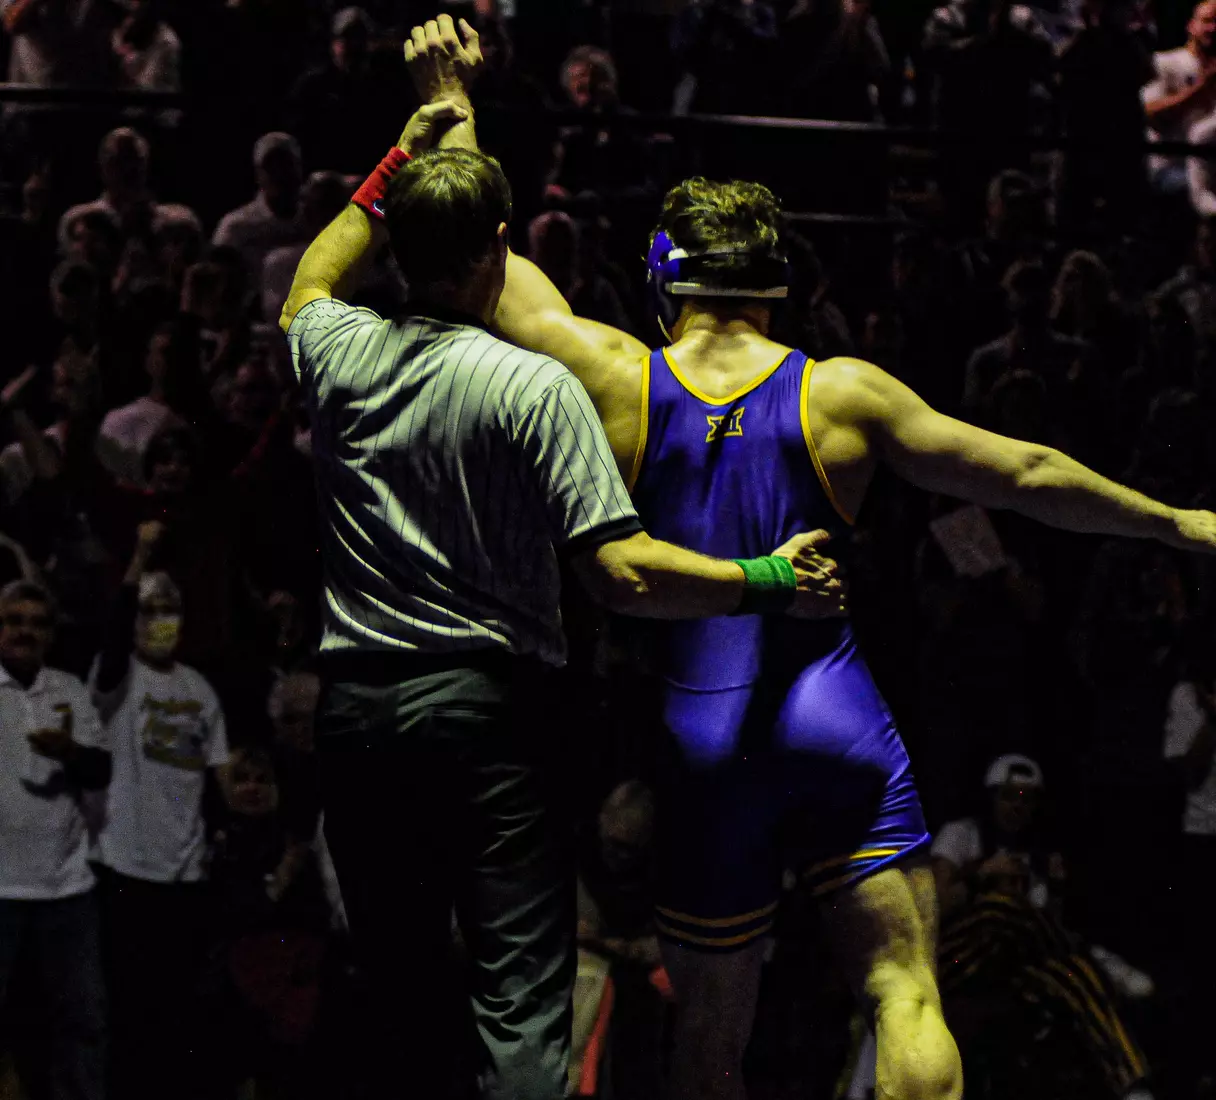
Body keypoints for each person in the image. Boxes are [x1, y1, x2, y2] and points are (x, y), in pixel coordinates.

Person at [406, 15, 1216, 1100]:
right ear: (774, 281)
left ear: (667, 279)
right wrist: (1176, 520)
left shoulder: (612, 375)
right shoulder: (840, 391)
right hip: (830, 711)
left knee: (709, 1040)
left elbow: (484, 261)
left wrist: (450, 104)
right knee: (902, 989)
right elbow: (1020, 470)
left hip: (702, 735)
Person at [280, 36, 844, 1100]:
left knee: (398, 983)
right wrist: (766, 577)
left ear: (395, 239)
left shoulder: (335, 351)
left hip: (355, 713)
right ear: (500, 244)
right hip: (491, 713)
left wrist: (407, 147)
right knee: (520, 998)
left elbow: (312, 274)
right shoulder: (533, 388)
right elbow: (621, 572)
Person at [91, 525, 229, 1100]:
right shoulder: (115, 678)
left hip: (184, 876)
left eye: (170, 609)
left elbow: (220, 774)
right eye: (151, 610)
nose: (160, 620)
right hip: (125, 871)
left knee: (177, 1019)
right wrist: (141, 553)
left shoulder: (200, 689)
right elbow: (115, 617)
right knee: (127, 1017)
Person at [0, 580, 109, 1100]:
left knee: (80, 1027)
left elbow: (101, 770)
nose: (26, 631)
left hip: (66, 889)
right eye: (15, 620)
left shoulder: (67, 688)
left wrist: (69, 750)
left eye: (38, 623)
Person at [1143, 0, 1216, 193]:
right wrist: (1199, 91)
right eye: (1207, 20)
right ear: (1191, 26)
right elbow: (1150, 115)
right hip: (1173, 167)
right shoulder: (1164, 63)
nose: (1213, 28)